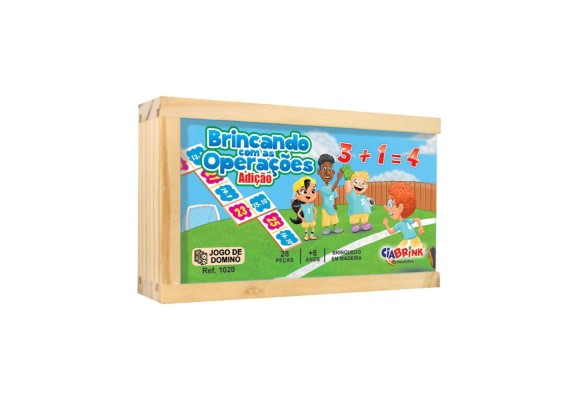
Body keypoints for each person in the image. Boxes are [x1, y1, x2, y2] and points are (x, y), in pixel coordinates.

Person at [317, 154, 344, 234]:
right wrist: (338, 179)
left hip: (332, 207)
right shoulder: (323, 188)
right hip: (326, 208)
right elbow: (330, 191)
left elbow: (335, 196)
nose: (328, 173)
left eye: (330, 169)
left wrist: (335, 204)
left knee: (334, 218)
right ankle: (326, 229)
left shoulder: (332, 186)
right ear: (319, 172)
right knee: (326, 219)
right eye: (324, 169)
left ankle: (335, 227)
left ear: (333, 172)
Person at [342, 165, 372, 232]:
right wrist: (347, 180)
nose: (360, 185)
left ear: (366, 186)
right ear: (351, 184)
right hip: (355, 212)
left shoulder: (363, 196)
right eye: (356, 182)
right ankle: (355, 225)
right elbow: (348, 190)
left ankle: (364, 224)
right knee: (354, 218)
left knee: (365, 218)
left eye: (363, 183)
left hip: (365, 212)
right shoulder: (352, 195)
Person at [289, 176, 318, 241]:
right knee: (306, 227)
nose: (309, 194)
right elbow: (293, 201)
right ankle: (306, 235)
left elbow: (314, 209)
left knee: (312, 226)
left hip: (311, 218)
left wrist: (314, 214)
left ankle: (311, 235)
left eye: (313, 191)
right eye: (304, 191)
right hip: (299, 208)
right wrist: (301, 217)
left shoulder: (310, 204)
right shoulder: (297, 195)